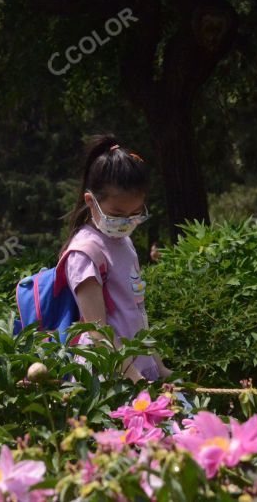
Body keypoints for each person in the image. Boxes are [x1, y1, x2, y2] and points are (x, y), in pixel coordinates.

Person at [60, 134, 172, 383]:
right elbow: (98, 332)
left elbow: (138, 315)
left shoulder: (125, 243)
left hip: (141, 372)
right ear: (91, 201)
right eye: (117, 213)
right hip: (110, 378)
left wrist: (160, 368)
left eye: (134, 213)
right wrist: (134, 379)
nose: (126, 222)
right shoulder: (84, 253)